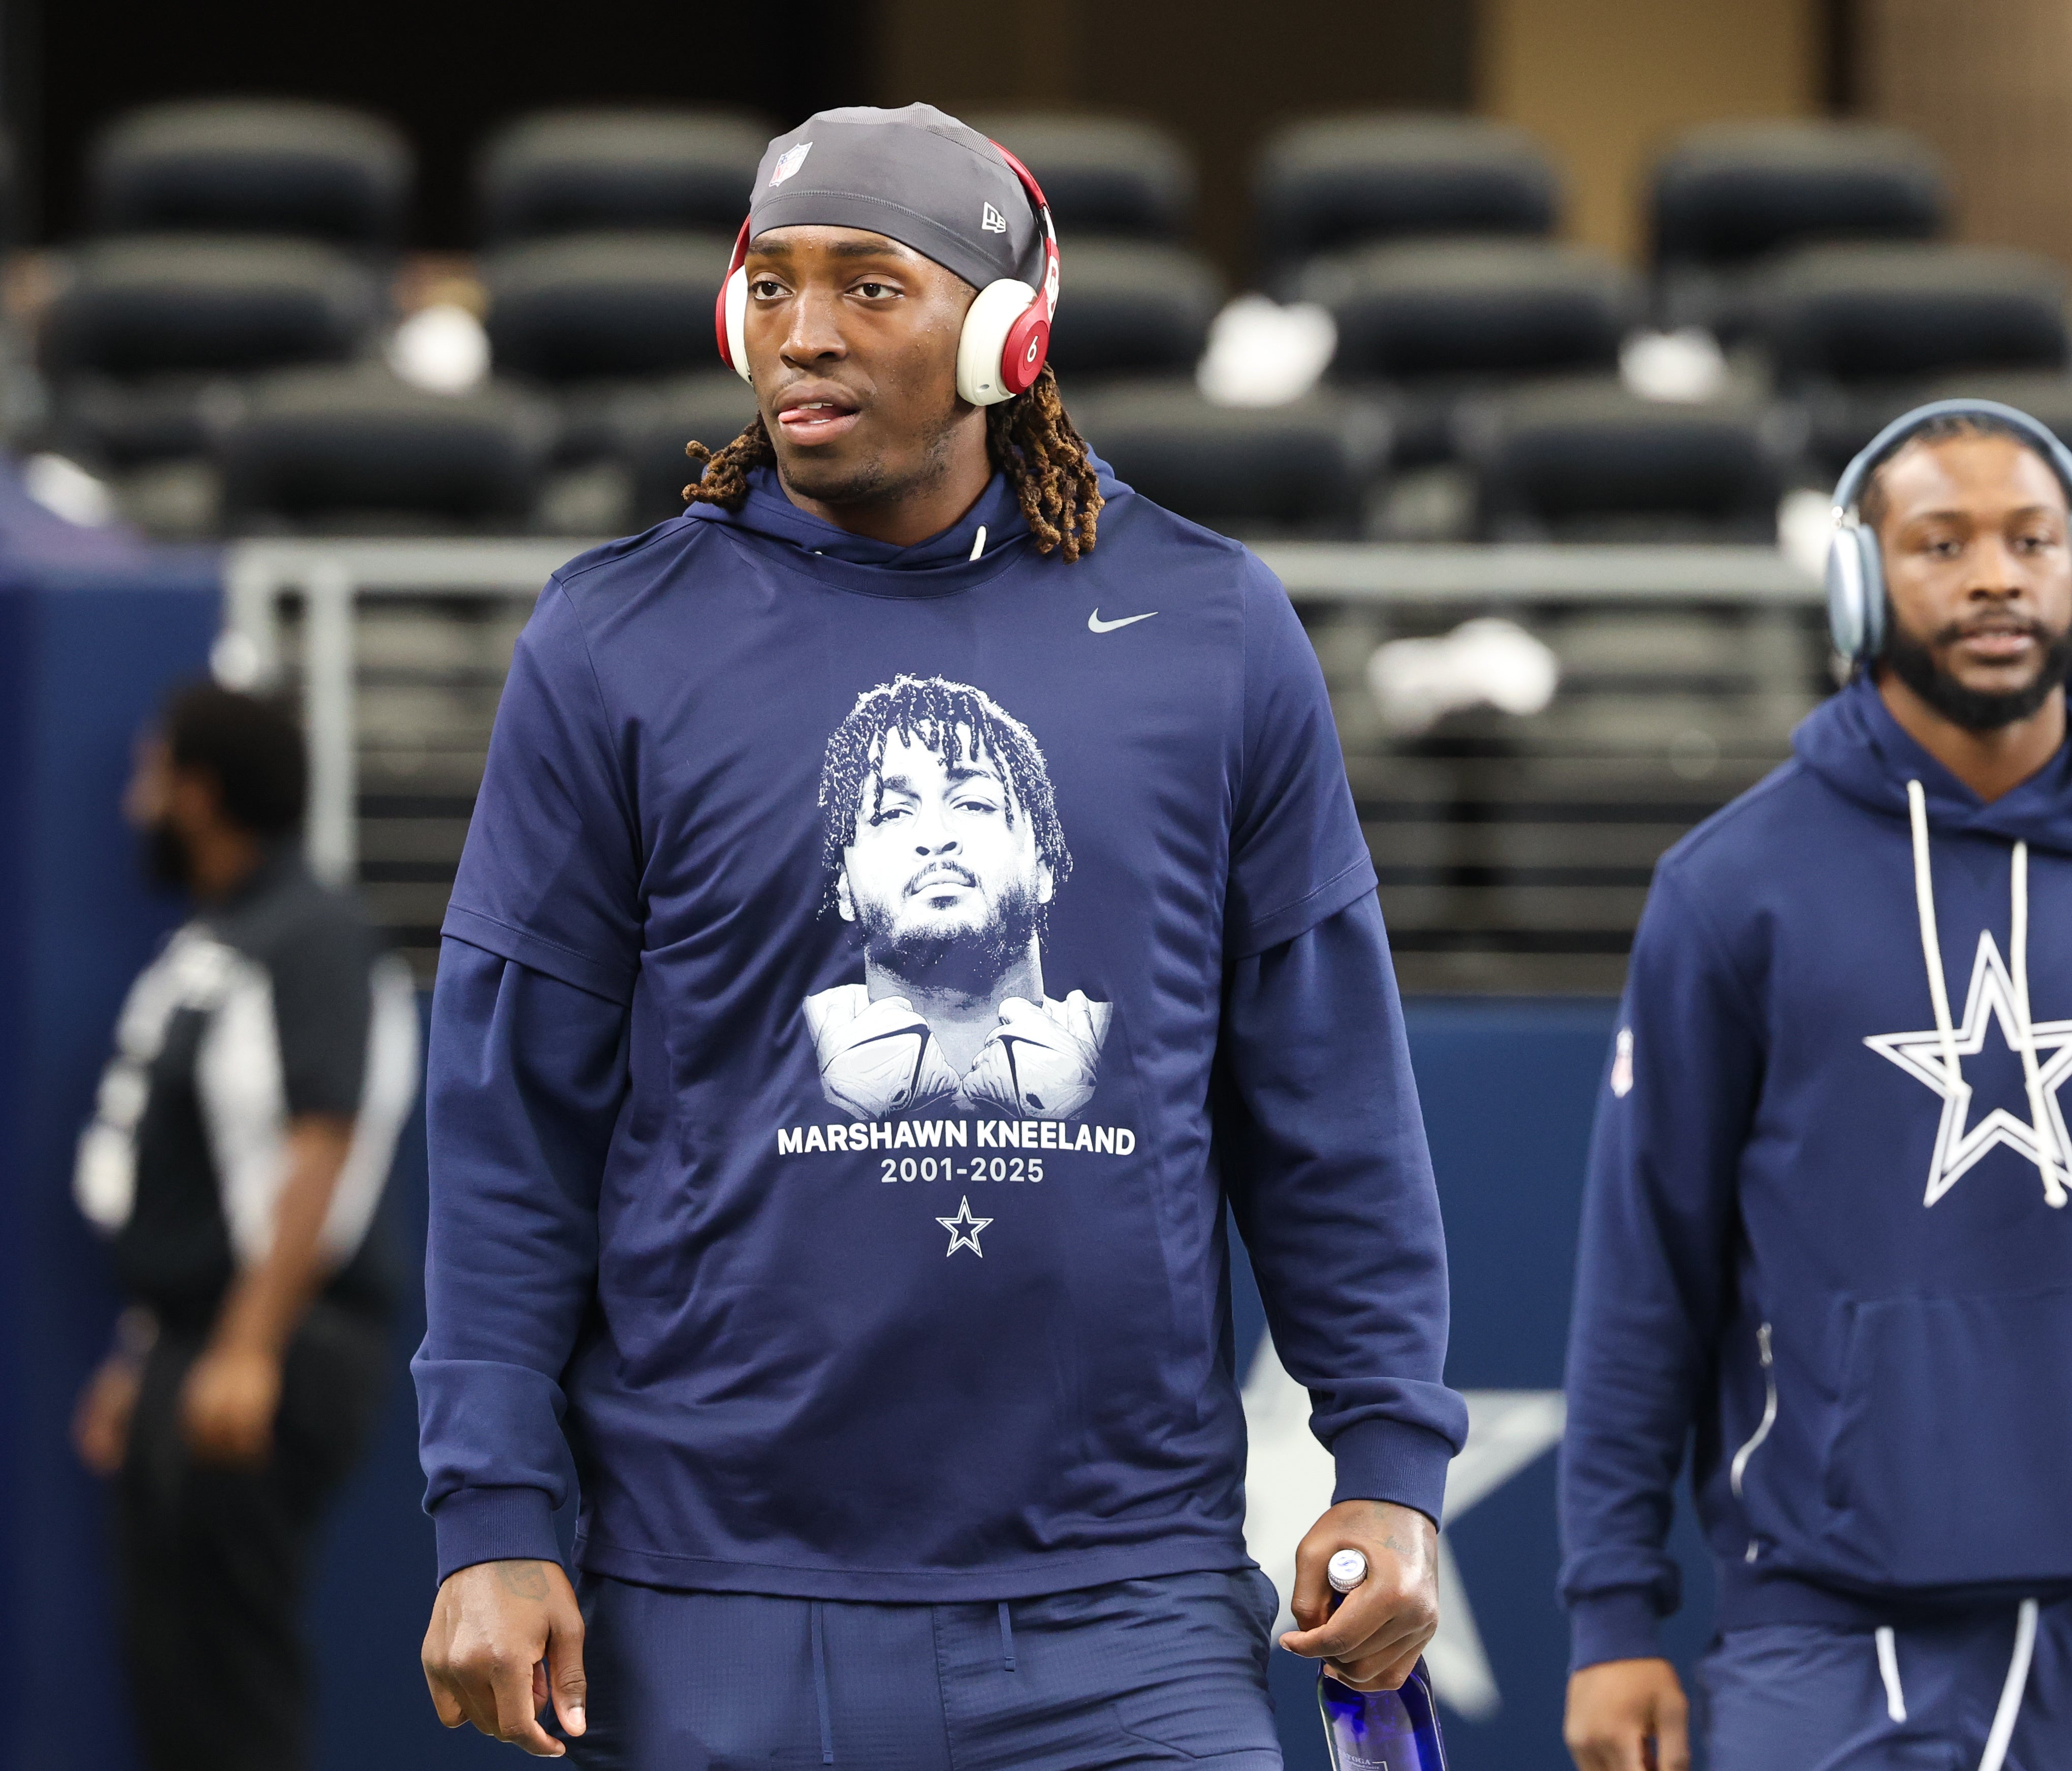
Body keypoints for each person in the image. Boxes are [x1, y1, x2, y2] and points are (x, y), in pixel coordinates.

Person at [413, 104, 1464, 1767]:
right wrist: (491, 1510)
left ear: (1004, 332)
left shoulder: (1211, 630)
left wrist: (1388, 1463)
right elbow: (506, 1132)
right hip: (711, 1605)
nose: (801, 332)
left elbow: (1328, 1102)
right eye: (769, 285)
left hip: (1122, 1607)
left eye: (866, 285)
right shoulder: (612, 642)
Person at [1558, 400, 2072, 1771]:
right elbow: (1645, 1272)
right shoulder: (1731, 887)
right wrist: (1610, 1612)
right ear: (1858, 582)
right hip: (1821, 1612)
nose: (1992, 574)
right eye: (1938, 542)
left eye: (2030, 539)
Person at [70, 682, 419, 1771]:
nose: (137, 803)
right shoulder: (222, 934)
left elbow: (324, 1134)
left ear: (201, 793)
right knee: (171, 1666)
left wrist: (246, 1346)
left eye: (151, 776)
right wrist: (148, 1349)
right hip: (197, 1339)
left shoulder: (310, 931)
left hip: (276, 1339)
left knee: (229, 1673)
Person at [803, 672, 1109, 1120]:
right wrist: (838, 1111)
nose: (935, 837)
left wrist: (1080, 1110)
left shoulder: (1128, 1037)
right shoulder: (768, 1036)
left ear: (1044, 868)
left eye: (972, 803)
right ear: (844, 888)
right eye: (890, 812)